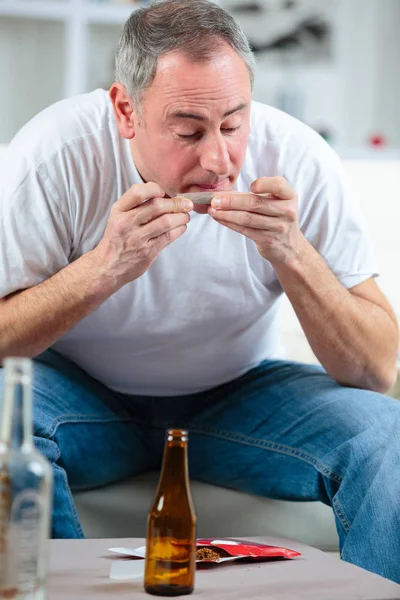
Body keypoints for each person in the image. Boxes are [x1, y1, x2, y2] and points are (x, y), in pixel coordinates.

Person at [0, 0, 399, 584]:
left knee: (386, 435)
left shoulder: (300, 159)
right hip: (81, 403)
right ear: (125, 110)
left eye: (234, 125)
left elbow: (377, 368)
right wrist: (103, 269)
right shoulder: (56, 156)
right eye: (188, 131)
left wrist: (293, 253)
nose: (218, 160)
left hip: (237, 398)